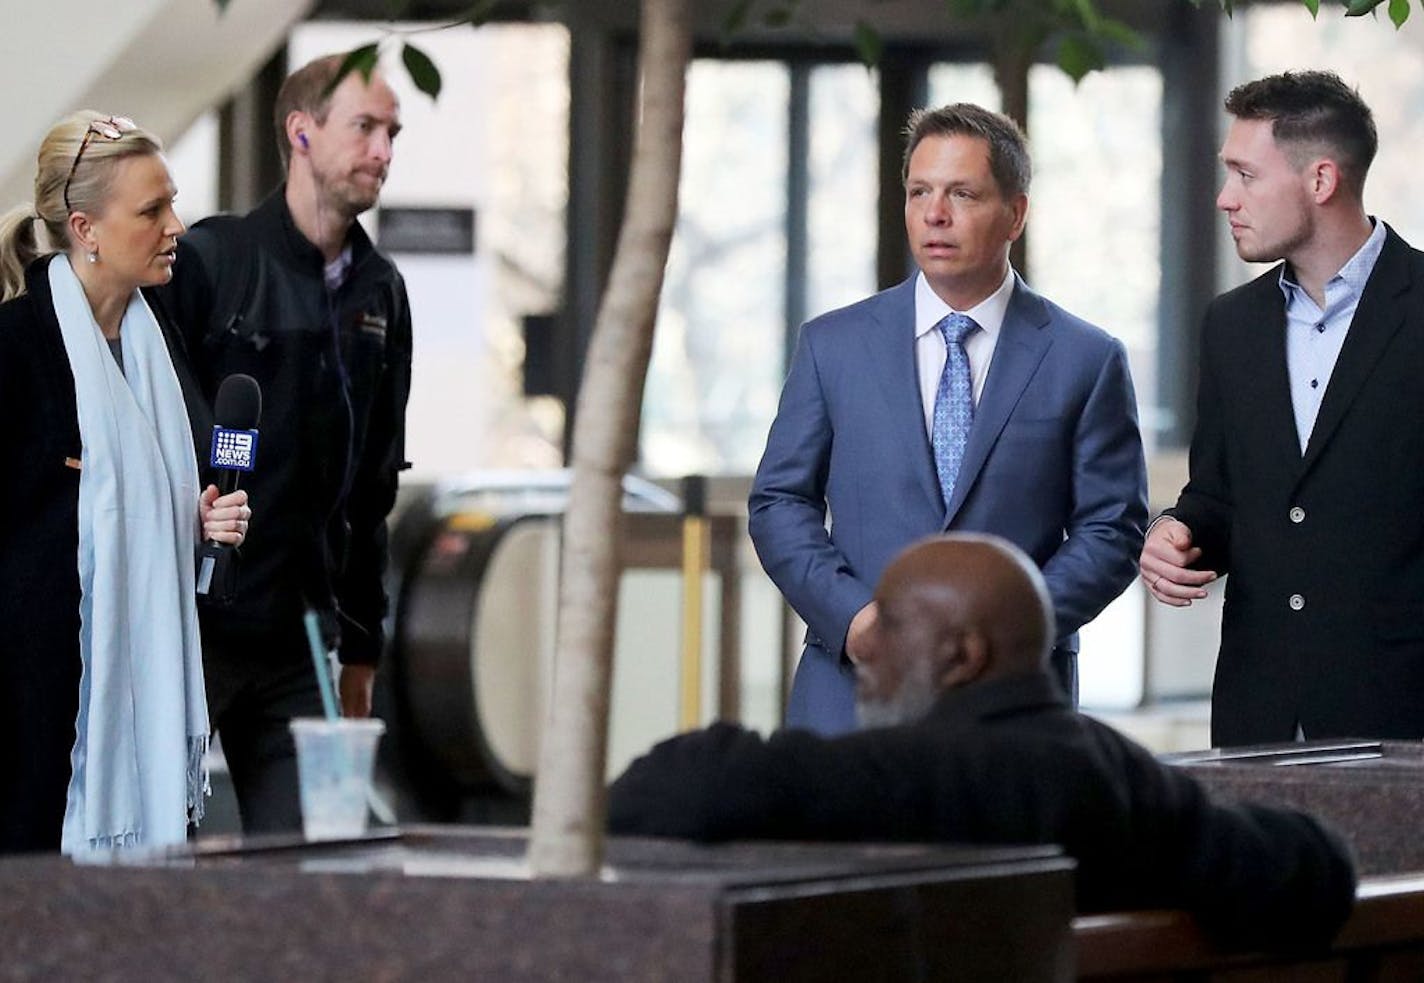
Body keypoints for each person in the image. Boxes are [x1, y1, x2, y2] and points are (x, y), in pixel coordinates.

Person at [608, 534, 1357, 952]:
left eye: (894, 626)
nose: (867, 650)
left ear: (962, 655)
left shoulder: (919, 773)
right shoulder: (1119, 774)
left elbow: (668, 788)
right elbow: (1315, 864)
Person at [749, 103, 1148, 736]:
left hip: (1014, 699)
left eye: (962, 193)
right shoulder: (833, 346)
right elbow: (778, 501)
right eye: (919, 192)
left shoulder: (1086, 358)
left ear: (1015, 214)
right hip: (851, 694)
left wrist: (1007, 629)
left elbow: (1112, 529)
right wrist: (854, 619)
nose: (935, 214)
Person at [160, 54, 413, 833]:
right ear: (301, 131)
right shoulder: (213, 259)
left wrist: (362, 647)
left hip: (301, 638)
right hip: (188, 629)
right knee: (154, 867)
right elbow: (150, 429)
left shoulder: (381, 291)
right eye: (364, 127)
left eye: (392, 132)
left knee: (315, 868)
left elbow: (375, 485)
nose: (383, 150)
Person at [1139, 71, 1424, 747]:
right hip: (1255, 715)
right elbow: (1217, 497)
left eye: (1245, 175)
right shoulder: (1230, 325)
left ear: (1321, 180)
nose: (1224, 198)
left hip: (1401, 719)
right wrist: (1174, 532)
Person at [0, 112, 250, 854]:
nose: (176, 225)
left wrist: (204, 519)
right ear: (86, 228)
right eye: (151, 210)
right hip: (31, 719)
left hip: (128, 693)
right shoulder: (15, 349)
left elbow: (162, 500)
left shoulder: (158, 343)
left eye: (171, 202)